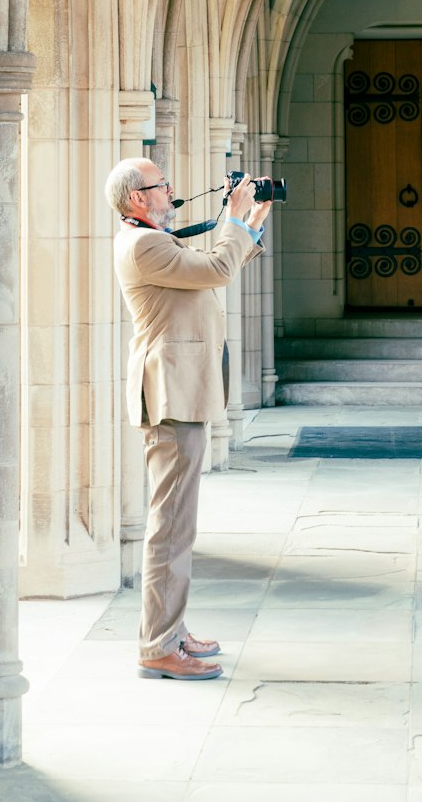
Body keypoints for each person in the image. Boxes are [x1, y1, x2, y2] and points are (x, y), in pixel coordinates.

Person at [104, 156, 272, 680]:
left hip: (182, 393)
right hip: (172, 396)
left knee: (178, 524)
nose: (172, 191)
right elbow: (218, 269)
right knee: (171, 529)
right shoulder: (144, 243)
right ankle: (158, 646)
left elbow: (212, 268)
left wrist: (252, 219)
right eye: (161, 186)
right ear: (138, 198)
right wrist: (237, 219)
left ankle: (171, 631)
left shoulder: (154, 240)